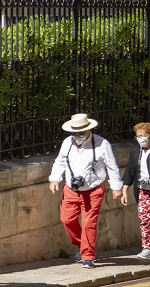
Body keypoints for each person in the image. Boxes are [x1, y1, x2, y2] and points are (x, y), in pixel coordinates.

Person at [48, 113, 122, 269]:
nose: (77, 135)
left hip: (93, 189)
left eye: (80, 132)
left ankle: (88, 256)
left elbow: (112, 166)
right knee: (67, 219)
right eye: (74, 132)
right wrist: (55, 178)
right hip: (71, 189)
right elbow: (60, 161)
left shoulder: (102, 144)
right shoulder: (67, 143)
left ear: (89, 130)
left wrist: (116, 188)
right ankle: (81, 245)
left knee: (89, 222)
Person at [120, 122, 150, 259]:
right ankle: (147, 247)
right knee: (144, 219)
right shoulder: (136, 151)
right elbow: (130, 172)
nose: (141, 139)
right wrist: (124, 190)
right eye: (138, 136)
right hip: (143, 191)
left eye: (144, 136)